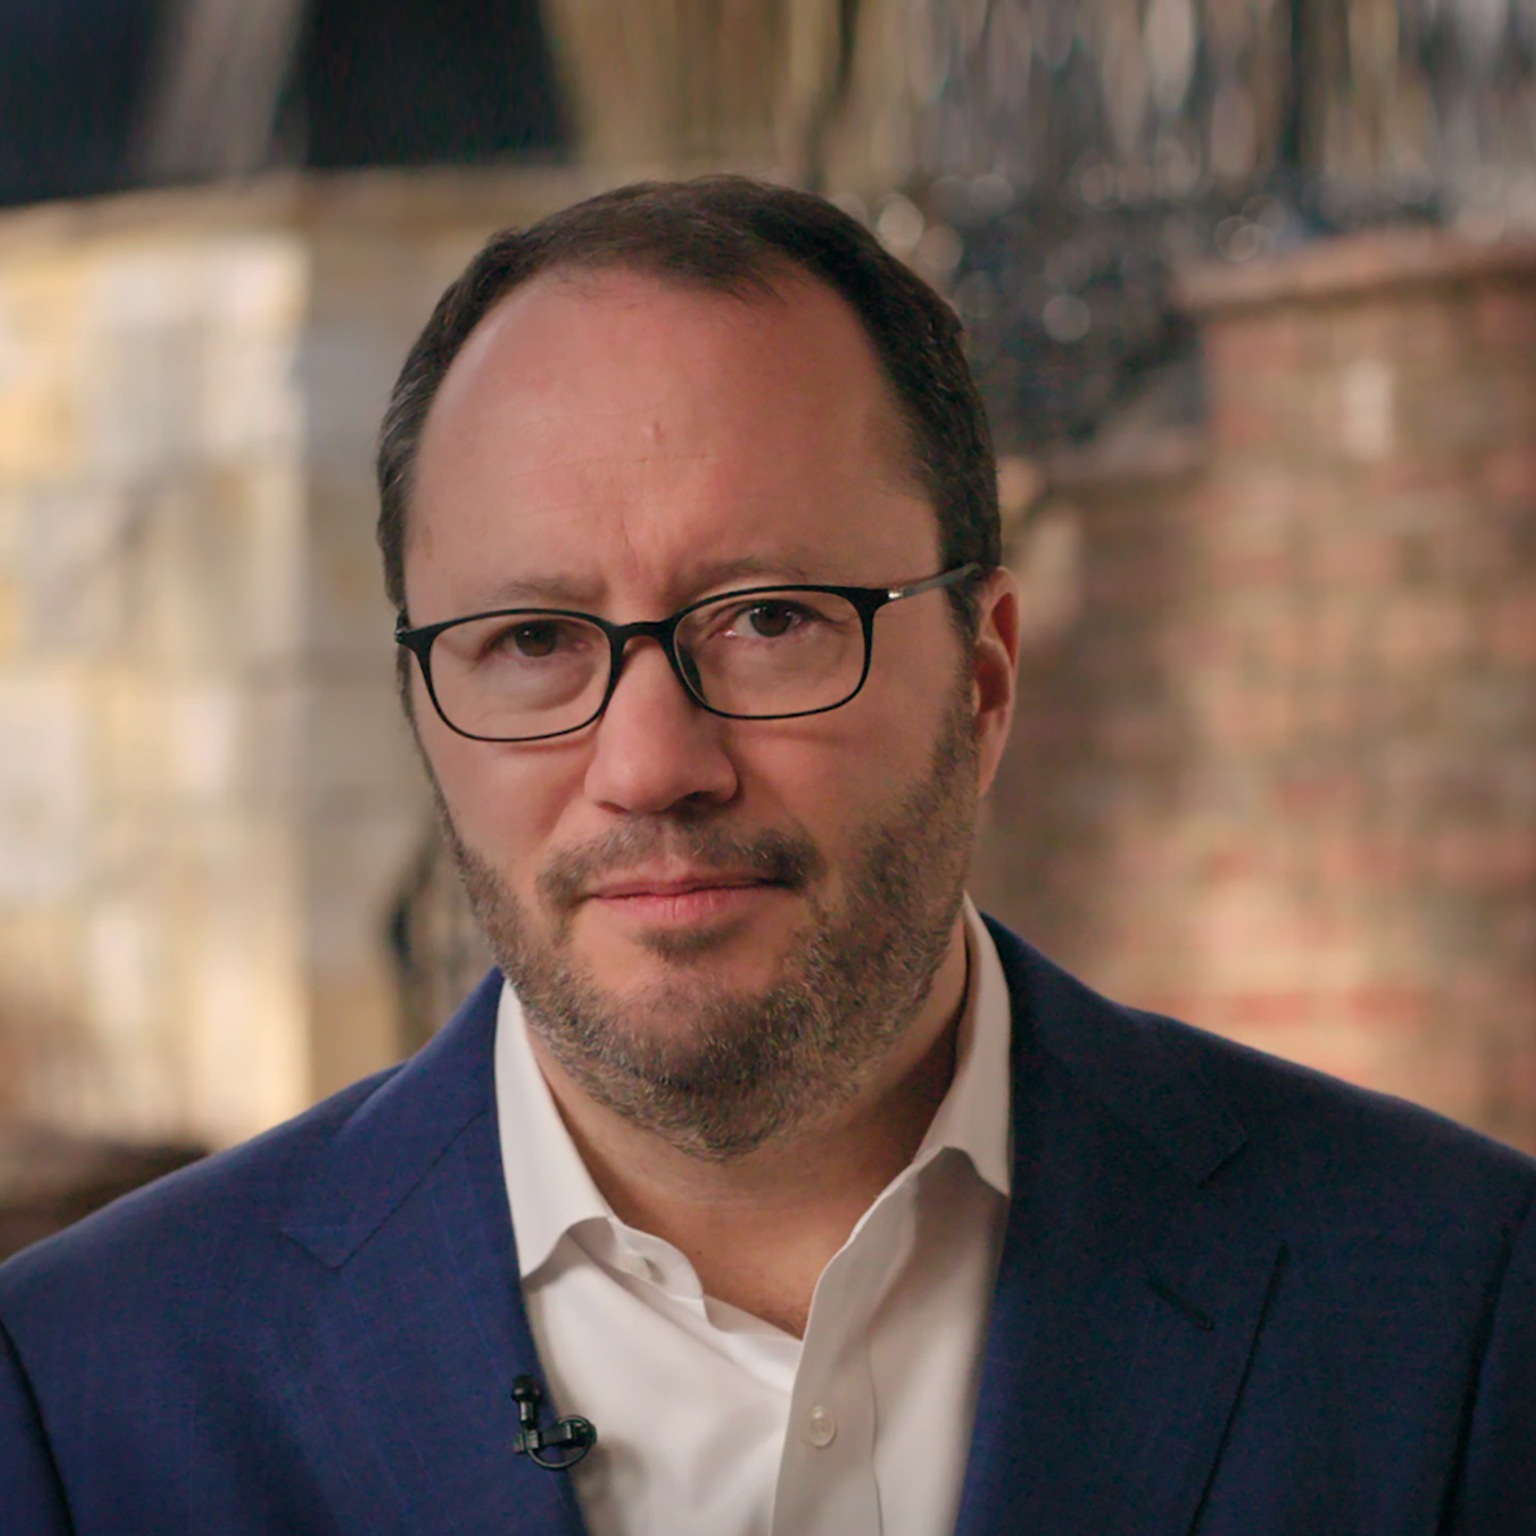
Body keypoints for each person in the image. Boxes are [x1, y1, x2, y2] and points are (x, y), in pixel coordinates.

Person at [2, 177, 1534, 1536]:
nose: (651, 765)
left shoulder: (1453, 1313)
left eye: (771, 619)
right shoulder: (84, 1399)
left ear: (985, 676)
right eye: (531, 641)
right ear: (424, 710)